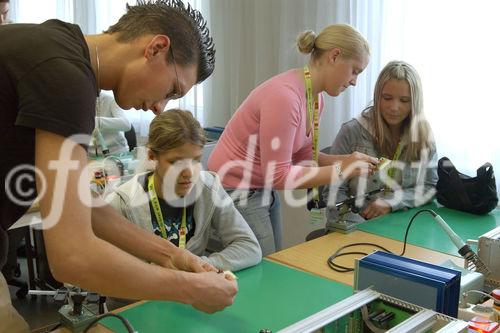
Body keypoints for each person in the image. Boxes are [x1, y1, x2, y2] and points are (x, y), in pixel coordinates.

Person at [0, 0, 237, 326]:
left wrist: (173, 254)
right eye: (172, 90)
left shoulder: (58, 46)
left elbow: (84, 204)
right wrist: (191, 288)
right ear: (155, 48)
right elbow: (72, 257)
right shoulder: (64, 75)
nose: (160, 108)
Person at [208, 24, 378, 256]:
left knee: (275, 260)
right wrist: (342, 170)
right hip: (236, 187)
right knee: (265, 268)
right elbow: (278, 175)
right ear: (335, 56)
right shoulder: (285, 97)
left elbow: (304, 158)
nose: (354, 81)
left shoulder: (316, 98)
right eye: (355, 71)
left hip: (260, 186)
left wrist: (349, 160)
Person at [107, 109, 262, 271]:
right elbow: (106, 273)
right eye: (176, 162)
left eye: (196, 160)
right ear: (152, 156)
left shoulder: (208, 187)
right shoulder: (122, 203)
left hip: (190, 290)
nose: (189, 173)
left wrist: (199, 264)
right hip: (144, 294)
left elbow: (249, 246)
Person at [323, 61, 437, 226]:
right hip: (355, 228)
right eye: (387, 98)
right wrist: (358, 227)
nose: (394, 107)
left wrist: (392, 203)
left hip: (402, 227)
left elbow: (428, 187)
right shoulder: (352, 131)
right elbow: (333, 194)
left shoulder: (423, 135)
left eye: (404, 100)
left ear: (414, 103)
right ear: (377, 96)